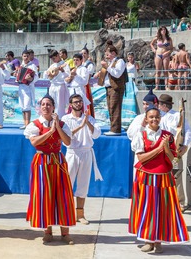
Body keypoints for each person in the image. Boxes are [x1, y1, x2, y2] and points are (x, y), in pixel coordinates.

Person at [129, 105, 189, 253]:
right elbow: (141, 158)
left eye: (156, 116)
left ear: (160, 118)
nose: (154, 119)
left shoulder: (167, 135)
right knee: (146, 208)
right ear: (146, 119)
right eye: (151, 117)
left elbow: (172, 158)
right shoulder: (141, 135)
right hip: (146, 177)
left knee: (163, 209)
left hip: (163, 177)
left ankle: (159, 241)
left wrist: (166, 147)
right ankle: (148, 240)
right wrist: (158, 148)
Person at [24, 94, 76, 244]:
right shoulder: (34, 125)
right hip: (41, 161)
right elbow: (35, 142)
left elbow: (67, 142)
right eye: (43, 104)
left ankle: (65, 233)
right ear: (39, 108)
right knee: (43, 195)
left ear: (53, 107)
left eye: (49, 104)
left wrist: (57, 127)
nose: (46, 107)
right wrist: (50, 131)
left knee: (63, 194)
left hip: (58, 160)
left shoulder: (62, 123)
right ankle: (47, 231)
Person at [61, 94, 102, 225]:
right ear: (70, 104)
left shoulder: (90, 118)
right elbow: (66, 137)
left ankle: (80, 214)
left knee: (83, 184)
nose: (78, 104)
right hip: (72, 153)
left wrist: (87, 122)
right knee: (68, 183)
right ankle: (66, 213)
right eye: (76, 102)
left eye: (80, 102)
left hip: (86, 153)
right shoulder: (66, 119)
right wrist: (80, 125)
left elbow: (96, 135)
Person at [158, 94, 191, 210]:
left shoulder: (178, 116)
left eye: (160, 104)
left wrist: (185, 145)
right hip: (161, 148)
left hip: (175, 148)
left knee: (176, 175)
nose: (158, 106)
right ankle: (164, 201)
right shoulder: (158, 117)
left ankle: (179, 201)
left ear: (164, 105)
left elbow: (186, 131)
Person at [100, 41, 126, 135]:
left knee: (115, 108)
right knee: (110, 108)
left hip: (116, 88)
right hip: (108, 88)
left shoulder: (120, 61)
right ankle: (113, 128)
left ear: (113, 53)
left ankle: (116, 129)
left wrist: (107, 67)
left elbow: (117, 74)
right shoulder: (110, 63)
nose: (106, 54)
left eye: (108, 52)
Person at [43, 49, 69, 118]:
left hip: (60, 86)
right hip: (53, 86)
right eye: (52, 59)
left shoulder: (65, 64)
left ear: (58, 55)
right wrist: (47, 73)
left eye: (54, 58)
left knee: (60, 105)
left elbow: (67, 76)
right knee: (52, 104)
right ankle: (51, 120)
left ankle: (60, 121)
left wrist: (63, 71)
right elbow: (46, 76)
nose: (53, 60)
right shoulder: (53, 65)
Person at [17, 49, 38, 129]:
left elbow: (36, 77)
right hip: (21, 87)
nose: (26, 58)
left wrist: (31, 79)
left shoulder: (32, 66)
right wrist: (16, 75)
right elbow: (18, 76)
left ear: (29, 57)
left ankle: (27, 124)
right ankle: (24, 123)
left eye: (27, 56)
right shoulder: (21, 66)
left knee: (27, 105)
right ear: (22, 57)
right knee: (22, 105)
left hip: (28, 87)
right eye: (24, 56)